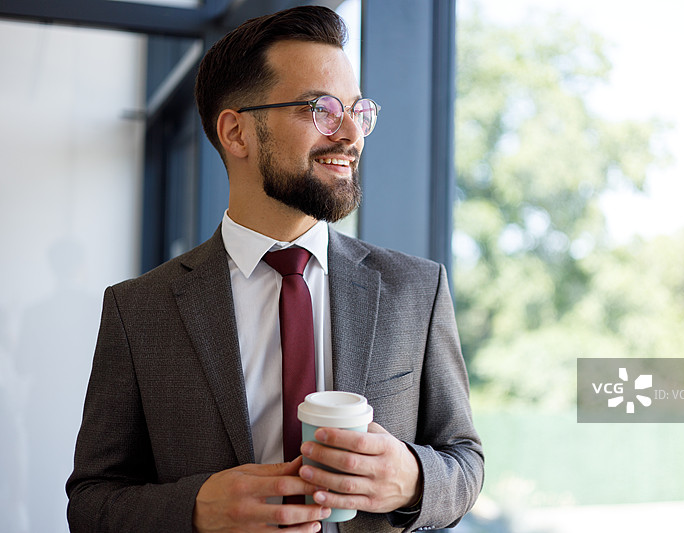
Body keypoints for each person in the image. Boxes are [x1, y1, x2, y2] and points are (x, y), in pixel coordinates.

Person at [66, 6, 483, 533]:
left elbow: (464, 460)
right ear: (236, 133)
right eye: (322, 109)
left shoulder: (415, 290)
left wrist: (415, 478)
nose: (351, 134)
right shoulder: (139, 310)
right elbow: (91, 501)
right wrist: (195, 509)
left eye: (357, 110)